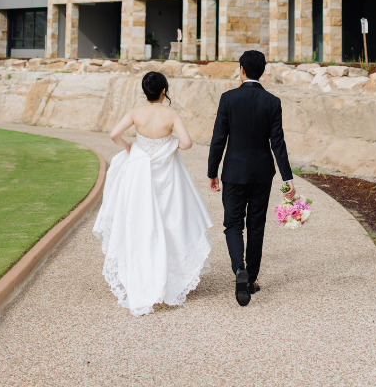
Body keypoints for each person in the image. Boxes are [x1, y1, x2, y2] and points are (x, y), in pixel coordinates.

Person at [93, 71, 213, 317]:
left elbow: (114, 134)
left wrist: (129, 146)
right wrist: (170, 145)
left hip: (139, 174)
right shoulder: (171, 114)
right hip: (168, 174)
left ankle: (142, 274)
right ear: (163, 91)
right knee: (171, 222)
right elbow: (187, 143)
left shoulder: (136, 113)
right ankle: (169, 276)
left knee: (140, 223)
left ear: (145, 91)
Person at [207, 50, 295, 307]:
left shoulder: (228, 98)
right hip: (261, 173)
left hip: (233, 172)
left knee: (233, 225)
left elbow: (218, 139)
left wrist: (213, 172)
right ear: (262, 71)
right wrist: (287, 178)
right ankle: (251, 279)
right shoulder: (272, 101)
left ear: (242, 70)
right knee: (256, 225)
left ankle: (239, 270)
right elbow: (277, 142)